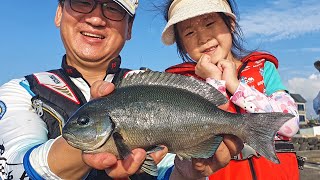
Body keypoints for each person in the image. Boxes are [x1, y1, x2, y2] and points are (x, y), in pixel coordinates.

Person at [0, 0, 243, 179]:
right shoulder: (23, 91)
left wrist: (187, 173)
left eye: (113, 8)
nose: (96, 18)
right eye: (82, 2)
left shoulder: (147, 82)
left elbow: (167, 165)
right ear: (59, 12)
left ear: (129, 28)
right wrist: (89, 148)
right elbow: (13, 166)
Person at [160, 0, 300, 179]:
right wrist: (215, 81)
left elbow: (290, 124)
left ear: (231, 24)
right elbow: (208, 128)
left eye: (209, 23)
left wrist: (235, 86)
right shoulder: (184, 85)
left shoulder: (264, 69)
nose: (203, 38)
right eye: (189, 32)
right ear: (182, 45)